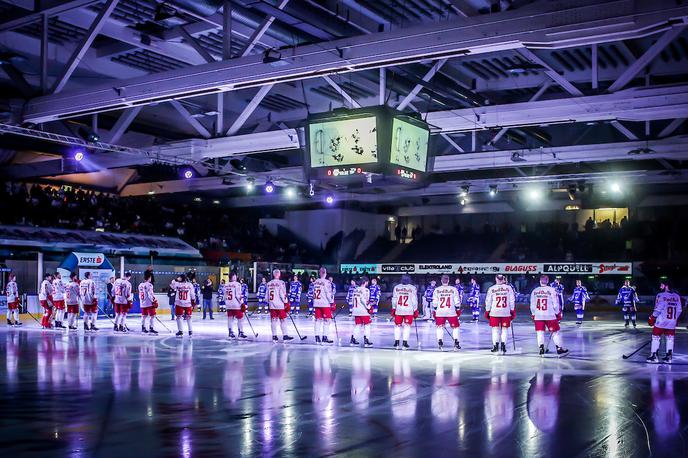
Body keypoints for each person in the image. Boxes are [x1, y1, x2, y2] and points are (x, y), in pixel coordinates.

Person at [530, 275, 568, 356]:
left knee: (540, 332)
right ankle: (559, 349)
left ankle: (541, 349)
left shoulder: (534, 291)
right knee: (555, 332)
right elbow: (555, 304)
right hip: (550, 315)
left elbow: (532, 305)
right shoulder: (552, 290)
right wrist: (557, 313)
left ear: (540, 281)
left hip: (538, 315)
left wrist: (533, 314)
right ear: (547, 281)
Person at [647, 280, 682, 364]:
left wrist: (652, 317)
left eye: (662, 285)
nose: (660, 287)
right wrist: (675, 319)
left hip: (661, 321)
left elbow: (658, 308)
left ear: (666, 286)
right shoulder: (677, 296)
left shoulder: (661, 295)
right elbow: (679, 310)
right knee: (670, 338)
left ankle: (654, 356)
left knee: (655, 337)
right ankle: (669, 357)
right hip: (672, 322)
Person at [485, 274, 516, 354]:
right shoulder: (509, 288)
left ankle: (495, 346)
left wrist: (487, 310)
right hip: (505, 312)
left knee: (495, 330)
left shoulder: (492, 289)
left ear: (496, 279)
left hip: (494, 312)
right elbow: (512, 300)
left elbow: (488, 301)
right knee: (504, 330)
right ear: (503, 279)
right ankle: (503, 346)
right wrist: (512, 310)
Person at [432, 274, 462, 351]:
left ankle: (440, 342)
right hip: (451, 311)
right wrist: (458, 309)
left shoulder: (437, 290)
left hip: (440, 312)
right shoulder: (453, 289)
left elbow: (434, 303)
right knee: (455, 327)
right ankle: (456, 341)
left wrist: (435, 310)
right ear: (448, 280)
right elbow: (457, 301)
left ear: (441, 281)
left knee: (439, 327)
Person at [390, 274, 418, 350]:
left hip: (399, 310)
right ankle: (405, 343)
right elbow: (414, 300)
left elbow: (394, 299)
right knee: (407, 326)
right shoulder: (412, 288)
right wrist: (415, 310)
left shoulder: (396, 287)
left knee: (397, 326)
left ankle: (396, 342)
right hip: (408, 310)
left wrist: (393, 308)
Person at [267, 269, 293, 342]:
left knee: (273, 320)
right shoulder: (281, 283)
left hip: (272, 305)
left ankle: (274, 336)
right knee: (283, 320)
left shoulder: (269, 283)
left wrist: (268, 303)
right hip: (280, 305)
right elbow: (282, 294)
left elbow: (266, 296)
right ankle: (285, 335)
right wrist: (286, 303)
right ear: (279, 274)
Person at [312, 267, 336, 344]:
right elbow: (328, 294)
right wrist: (332, 302)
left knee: (318, 320)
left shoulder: (316, 282)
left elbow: (313, 293)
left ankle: (317, 337)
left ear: (319, 273)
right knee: (327, 320)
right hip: (325, 304)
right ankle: (324, 337)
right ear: (325, 273)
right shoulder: (327, 282)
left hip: (316, 303)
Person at [350, 276, 373, 346]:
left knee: (358, 325)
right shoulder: (366, 290)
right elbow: (364, 300)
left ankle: (353, 338)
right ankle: (366, 339)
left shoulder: (355, 289)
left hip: (356, 310)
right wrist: (369, 307)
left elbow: (352, 300)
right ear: (365, 282)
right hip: (363, 311)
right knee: (367, 325)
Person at [225, 272, 247, 339]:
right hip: (236, 305)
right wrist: (242, 303)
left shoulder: (226, 285)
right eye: (235, 276)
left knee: (230, 319)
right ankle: (241, 332)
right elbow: (238, 295)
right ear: (234, 277)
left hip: (228, 305)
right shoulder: (237, 284)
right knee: (240, 319)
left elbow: (224, 296)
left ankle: (230, 332)